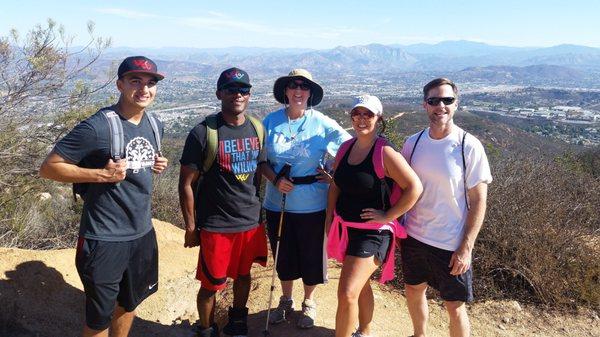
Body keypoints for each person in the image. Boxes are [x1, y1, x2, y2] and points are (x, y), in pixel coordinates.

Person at [39, 56, 169, 337]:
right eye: (135, 81)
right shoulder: (98, 126)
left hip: (142, 233)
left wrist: (157, 164)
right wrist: (100, 175)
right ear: (120, 84)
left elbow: (137, 166)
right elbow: (49, 168)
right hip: (104, 238)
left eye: (151, 82)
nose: (144, 88)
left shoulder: (155, 124)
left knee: (129, 303)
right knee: (98, 319)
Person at [179, 67, 268, 337]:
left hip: (250, 220)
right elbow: (186, 184)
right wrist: (192, 226)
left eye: (243, 90)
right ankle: (206, 329)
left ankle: (238, 321)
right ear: (220, 93)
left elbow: (261, 167)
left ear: (250, 95)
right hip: (217, 224)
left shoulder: (257, 127)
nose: (238, 95)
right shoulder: (204, 132)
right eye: (231, 90)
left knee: (243, 276)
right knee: (211, 283)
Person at [400, 78, 492, 337]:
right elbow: (403, 188)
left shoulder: (468, 146)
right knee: (414, 290)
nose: (440, 105)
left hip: (451, 243)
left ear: (456, 104)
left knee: (454, 307)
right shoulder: (412, 143)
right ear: (424, 105)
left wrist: (466, 247)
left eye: (447, 100)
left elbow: (479, 201)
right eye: (433, 101)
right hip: (414, 236)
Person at [260, 68, 351, 329]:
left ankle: (308, 301)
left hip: (314, 204)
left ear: (310, 93)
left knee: (312, 256)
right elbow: (262, 162)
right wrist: (276, 180)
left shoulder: (322, 123)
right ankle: (286, 299)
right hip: (278, 203)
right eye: (293, 86)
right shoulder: (270, 122)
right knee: (283, 254)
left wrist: (333, 175)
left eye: (304, 86)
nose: (298, 91)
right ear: (285, 92)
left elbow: (348, 149)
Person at [326, 95, 422, 337]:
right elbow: (335, 185)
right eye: (356, 114)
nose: (361, 119)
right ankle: (365, 331)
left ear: (379, 119)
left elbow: (415, 187)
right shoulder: (346, 147)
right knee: (360, 284)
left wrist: (388, 215)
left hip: (373, 233)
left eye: (368, 114)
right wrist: (329, 221)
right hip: (347, 228)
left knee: (347, 291)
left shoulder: (385, 152)